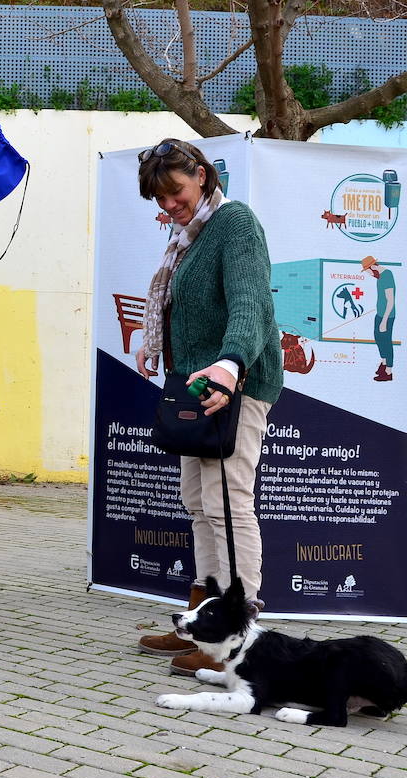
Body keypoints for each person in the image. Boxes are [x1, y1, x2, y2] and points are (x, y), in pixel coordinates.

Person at [131, 138, 283, 677]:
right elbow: (187, 307)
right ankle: (202, 622)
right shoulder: (186, 237)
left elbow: (249, 302)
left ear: (201, 174)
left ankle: (238, 634)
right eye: (160, 198)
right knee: (198, 500)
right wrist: (158, 344)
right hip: (196, 389)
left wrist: (231, 363)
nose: (169, 204)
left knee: (228, 501)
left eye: (175, 191)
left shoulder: (234, 223)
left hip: (233, 385)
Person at [363, 255, 396, 382]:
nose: (369, 274)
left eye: (368, 272)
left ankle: (388, 371)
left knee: (387, 342)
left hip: (387, 315)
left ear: (372, 267)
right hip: (380, 313)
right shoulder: (380, 277)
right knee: (378, 338)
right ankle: (383, 363)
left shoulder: (387, 276)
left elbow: (391, 300)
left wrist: (384, 320)